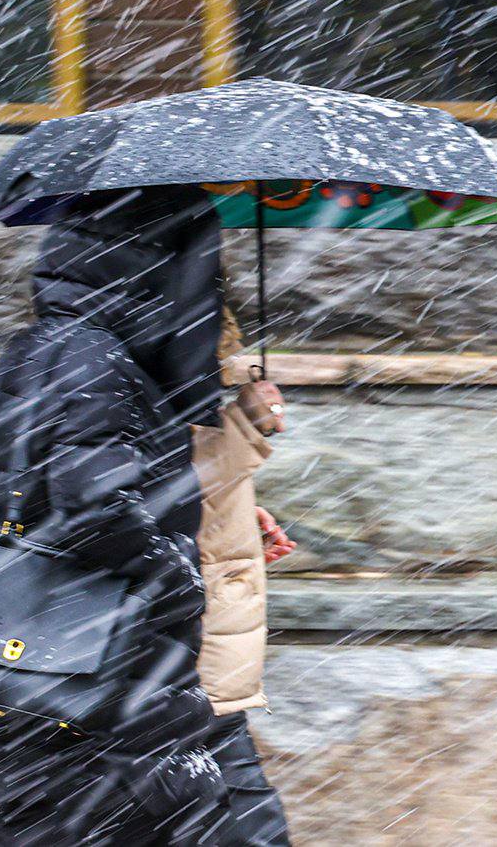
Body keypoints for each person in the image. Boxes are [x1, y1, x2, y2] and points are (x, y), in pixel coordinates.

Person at [0, 186, 237, 845]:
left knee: (62, 816)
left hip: (35, 642)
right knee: (125, 815)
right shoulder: (97, 362)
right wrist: (175, 575)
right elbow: (92, 506)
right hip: (101, 651)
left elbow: (30, 491)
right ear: (157, 272)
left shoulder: (36, 351)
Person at [190, 309, 295, 846]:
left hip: (192, 669)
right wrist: (248, 424)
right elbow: (157, 482)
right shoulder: (114, 376)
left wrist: (231, 521)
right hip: (176, 666)